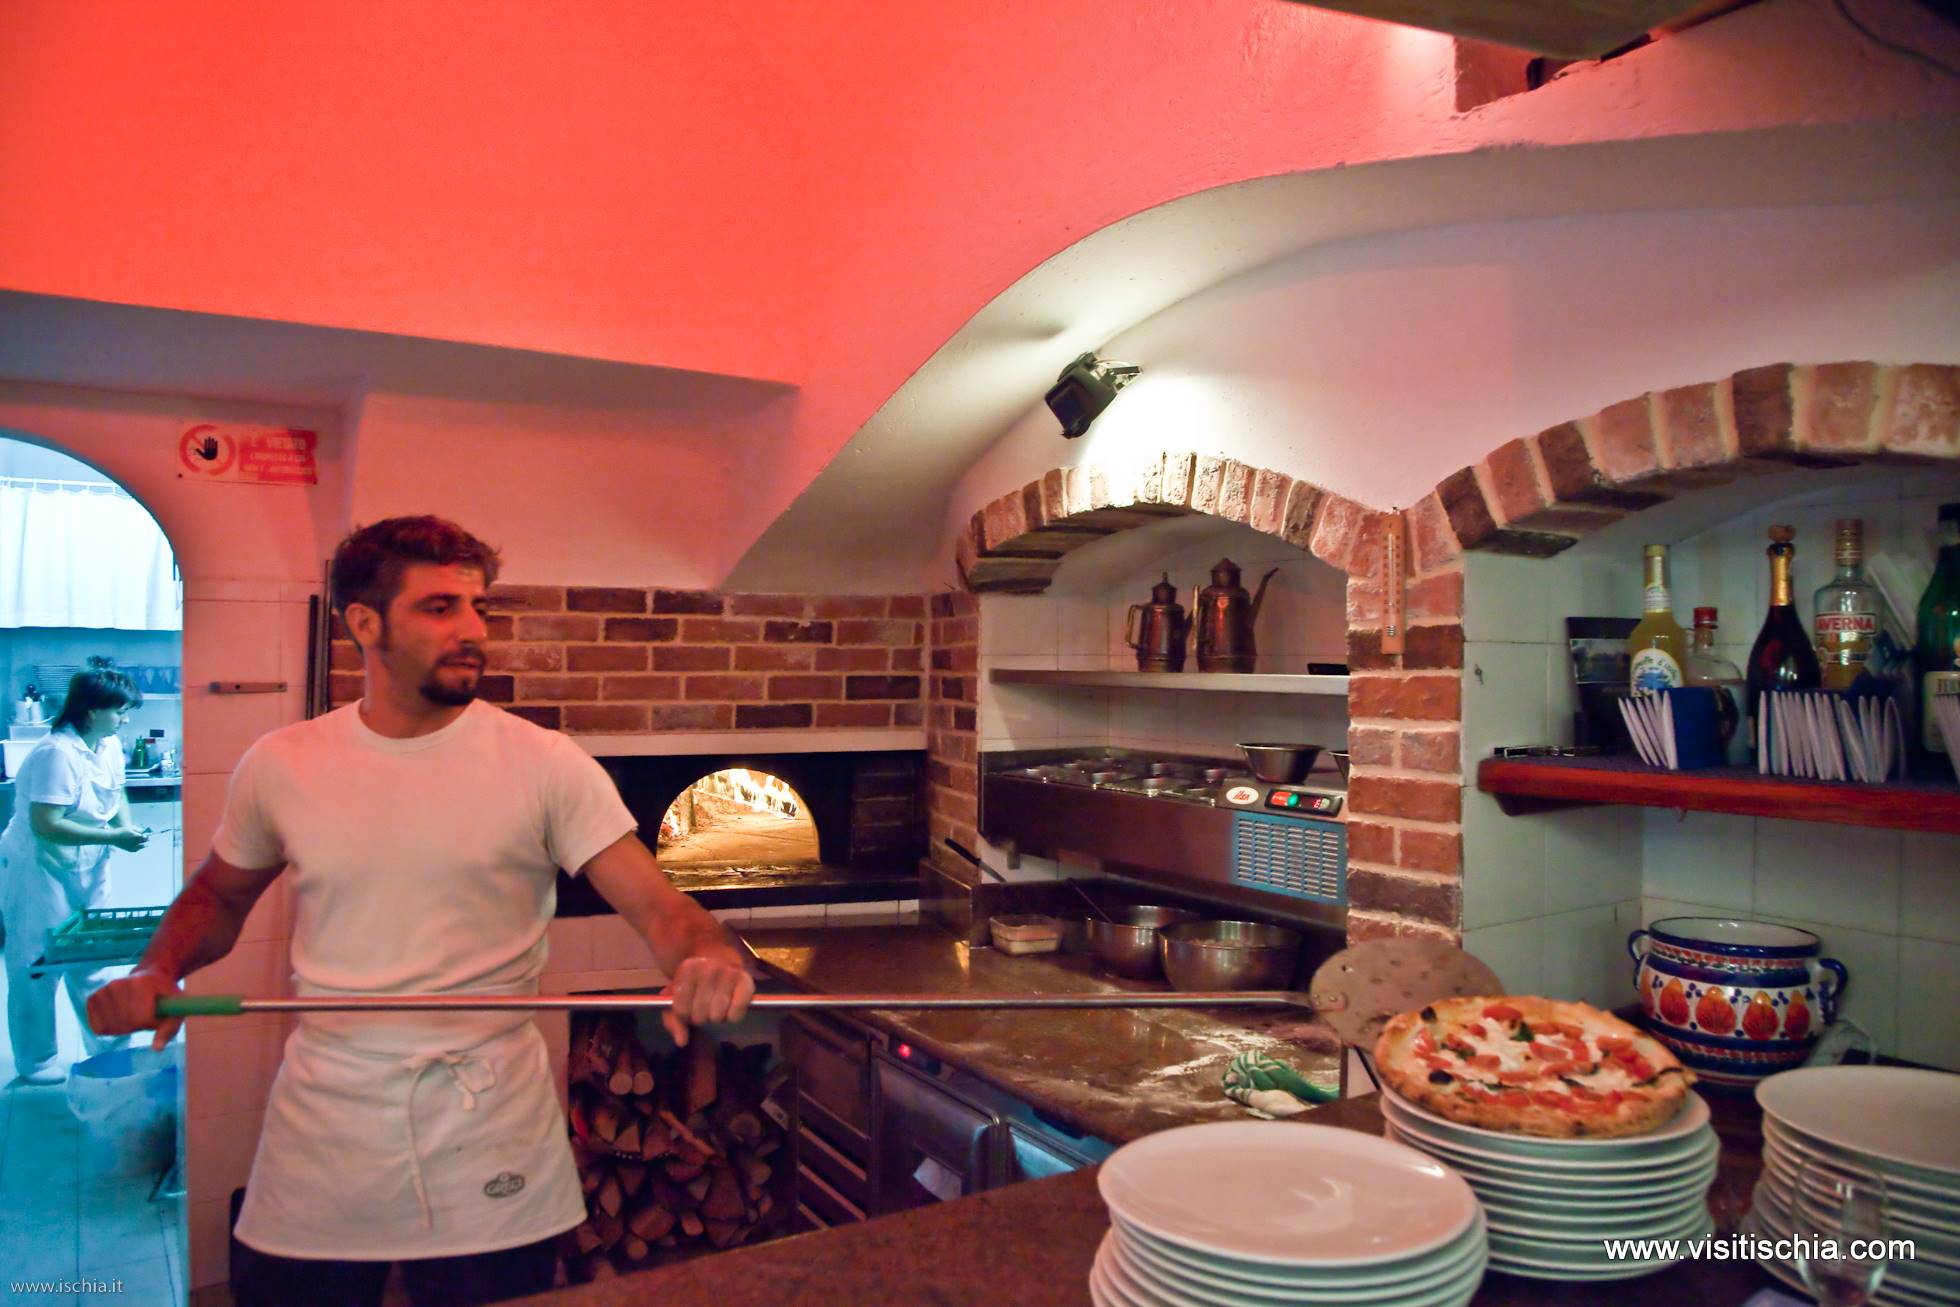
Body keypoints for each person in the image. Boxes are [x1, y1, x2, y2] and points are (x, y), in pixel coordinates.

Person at [88, 516, 756, 1307]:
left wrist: (708, 957)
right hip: (327, 1119)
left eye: (479, 608)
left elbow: (665, 912)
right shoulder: (283, 764)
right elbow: (217, 895)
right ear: (364, 623)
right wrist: (156, 966)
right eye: (440, 607)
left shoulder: (546, 764)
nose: (473, 630)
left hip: (491, 1124)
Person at [1, 662, 147, 1084]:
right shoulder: (57, 754)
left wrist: (126, 827)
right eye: (119, 711)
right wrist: (113, 837)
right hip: (38, 868)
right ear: (91, 711)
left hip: (88, 861)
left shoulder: (108, 744)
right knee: (37, 964)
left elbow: (117, 791)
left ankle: (110, 1049)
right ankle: (37, 1061)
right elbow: (46, 824)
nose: (125, 719)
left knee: (93, 958)